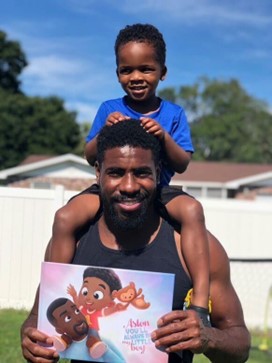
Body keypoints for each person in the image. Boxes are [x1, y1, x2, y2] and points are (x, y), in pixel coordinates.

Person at [21, 120, 250, 363]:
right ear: (98, 173)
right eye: (116, 173)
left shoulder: (194, 248)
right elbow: (37, 317)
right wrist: (30, 338)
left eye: (141, 173)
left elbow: (240, 345)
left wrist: (207, 337)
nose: (129, 186)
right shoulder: (74, 240)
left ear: (158, 172)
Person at [49, 23, 210, 322]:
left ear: (163, 72)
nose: (136, 78)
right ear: (118, 73)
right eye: (127, 70)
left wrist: (163, 136)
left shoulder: (173, 114)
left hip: (157, 189)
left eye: (146, 69)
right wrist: (104, 131)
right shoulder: (108, 107)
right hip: (107, 189)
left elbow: (182, 163)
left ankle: (200, 302)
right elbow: (89, 156)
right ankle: (54, 296)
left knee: (192, 211)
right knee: (65, 217)